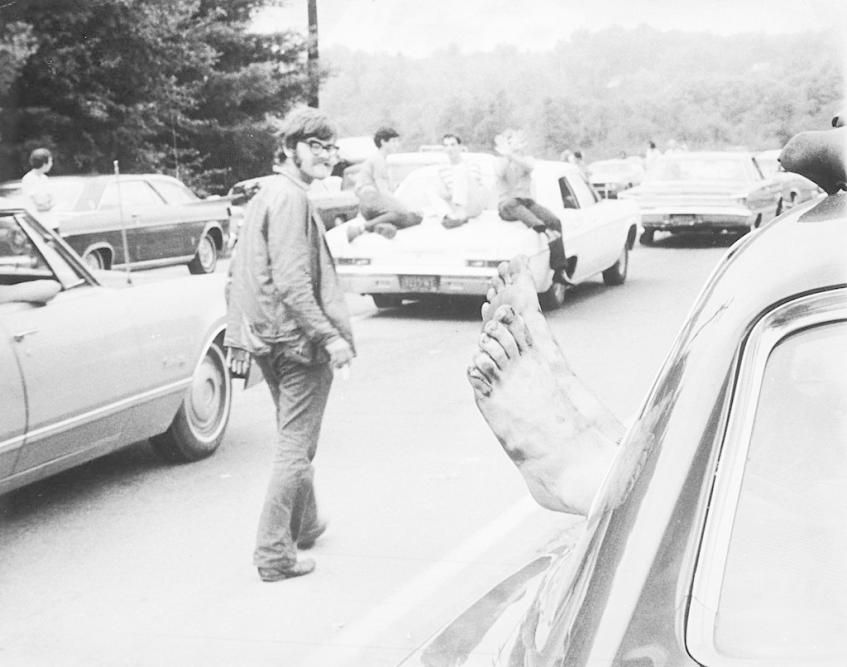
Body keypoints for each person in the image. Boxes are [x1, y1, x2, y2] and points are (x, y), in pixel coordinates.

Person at [224, 107, 355, 583]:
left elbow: (238, 273)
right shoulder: (290, 199)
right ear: (288, 149)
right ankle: (274, 554)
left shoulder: (269, 194)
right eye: (315, 145)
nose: (326, 155)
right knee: (295, 447)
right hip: (297, 343)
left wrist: (241, 339)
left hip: (270, 339)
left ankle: (306, 524)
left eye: (331, 147)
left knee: (297, 439)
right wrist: (330, 336)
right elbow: (292, 281)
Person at [494, 129, 570, 284]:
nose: (515, 144)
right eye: (511, 141)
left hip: (526, 202)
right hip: (507, 205)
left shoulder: (526, 159)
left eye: (516, 140)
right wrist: (507, 156)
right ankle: (542, 229)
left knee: (554, 221)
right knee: (512, 203)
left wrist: (511, 154)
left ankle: (559, 269)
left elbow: (529, 166)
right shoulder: (500, 161)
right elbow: (500, 172)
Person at [346, 126, 423, 242]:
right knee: (409, 216)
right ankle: (362, 228)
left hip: (368, 205)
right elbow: (384, 192)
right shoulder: (378, 160)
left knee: (408, 217)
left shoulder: (378, 159)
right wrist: (405, 208)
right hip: (371, 202)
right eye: (393, 141)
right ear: (383, 142)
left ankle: (380, 226)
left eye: (397, 141)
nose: (397, 145)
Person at [435, 133, 486, 228]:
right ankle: (447, 216)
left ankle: (459, 216)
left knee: (460, 169)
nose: (449, 148)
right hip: (456, 206)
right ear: (444, 149)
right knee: (430, 190)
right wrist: (449, 193)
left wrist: (452, 191)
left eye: (453, 145)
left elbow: (474, 188)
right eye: (446, 146)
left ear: (460, 147)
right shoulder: (442, 169)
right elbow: (443, 194)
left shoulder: (471, 164)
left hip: (473, 205)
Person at [21, 148, 58, 230]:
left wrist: (49, 203)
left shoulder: (45, 178)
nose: (51, 164)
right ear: (44, 163)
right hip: (38, 225)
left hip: (51, 223)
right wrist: (48, 204)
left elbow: (52, 199)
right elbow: (39, 204)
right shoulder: (29, 179)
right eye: (50, 161)